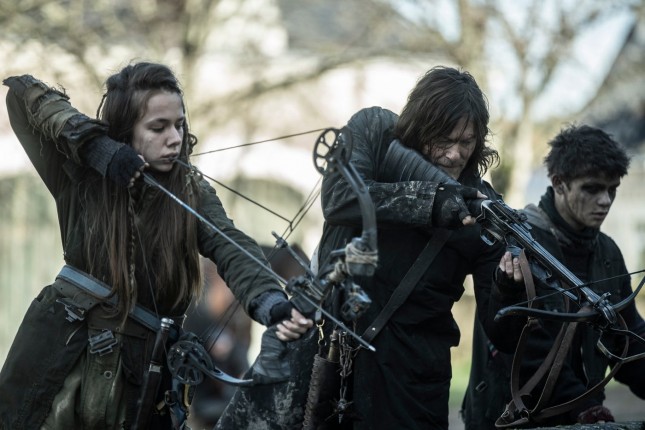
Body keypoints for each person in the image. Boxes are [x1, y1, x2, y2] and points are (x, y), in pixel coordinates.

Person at [0, 62, 312, 430]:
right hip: (62, 361)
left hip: (142, 375)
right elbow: (21, 95)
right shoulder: (82, 174)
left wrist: (270, 302)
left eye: (179, 124)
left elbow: (231, 246)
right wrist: (99, 149)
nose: (174, 138)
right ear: (126, 130)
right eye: (158, 127)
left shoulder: (191, 191)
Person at [217, 66, 522, 430]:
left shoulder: (483, 211)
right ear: (419, 127)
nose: (455, 154)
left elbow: (502, 334)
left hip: (410, 386)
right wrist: (432, 202)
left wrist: (508, 287)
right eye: (444, 139)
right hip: (320, 351)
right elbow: (340, 198)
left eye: (466, 142)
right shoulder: (375, 133)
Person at [462, 124, 645, 429]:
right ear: (559, 184)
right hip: (511, 418)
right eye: (592, 188)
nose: (605, 200)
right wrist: (583, 406)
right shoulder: (515, 239)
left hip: (583, 419)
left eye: (612, 189)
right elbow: (520, 348)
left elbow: (626, 338)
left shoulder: (608, 252)